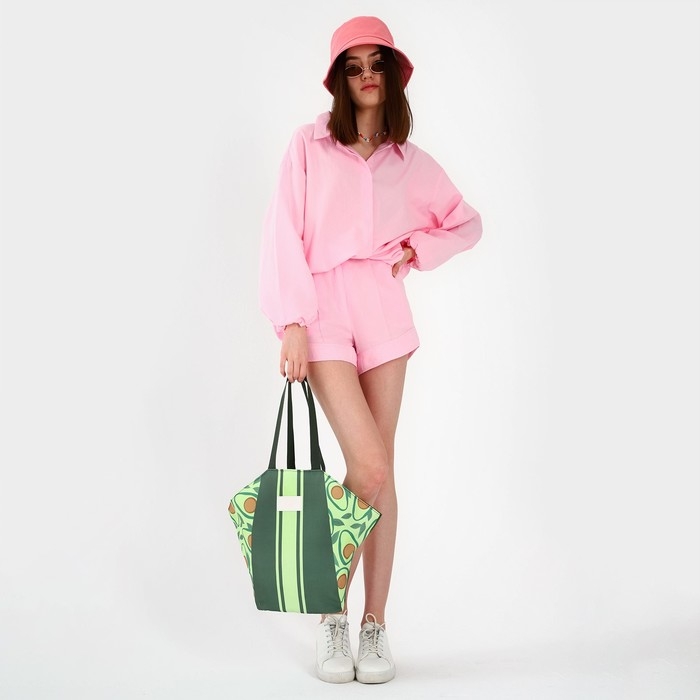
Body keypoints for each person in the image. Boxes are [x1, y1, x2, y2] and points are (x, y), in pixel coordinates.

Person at [259, 16, 482, 684]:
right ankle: (331, 614)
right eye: (352, 67)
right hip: (322, 311)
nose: (364, 77)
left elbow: (467, 223)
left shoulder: (409, 162)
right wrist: (291, 321)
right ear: (338, 78)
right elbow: (282, 231)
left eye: (375, 64)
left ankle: (374, 623)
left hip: (384, 311)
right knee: (370, 465)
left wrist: (418, 248)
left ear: (392, 73)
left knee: (381, 474)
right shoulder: (308, 145)